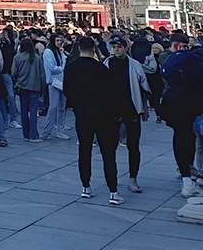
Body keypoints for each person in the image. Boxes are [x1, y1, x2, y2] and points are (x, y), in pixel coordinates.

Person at [161, 39, 203, 197]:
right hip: (184, 104)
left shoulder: (194, 60)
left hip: (171, 101)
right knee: (186, 139)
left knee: (182, 137)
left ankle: (186, 176)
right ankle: (187, 181)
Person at [63, 36, 124, 205]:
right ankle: (113, 191)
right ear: (94, 49)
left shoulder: (71, 67)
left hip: (82, 114)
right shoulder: (101, 69)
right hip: (103, 115)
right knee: (108, 153)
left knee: (84, 150)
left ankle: (86, 187)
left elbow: (67, 91)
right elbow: (111, 93)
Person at [104, 37, 149, 193]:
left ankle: (133, 178)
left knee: (133, 146)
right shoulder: (107, 64)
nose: (116, 49)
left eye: (119, 47)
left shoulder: (134, 65)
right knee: (111, 146)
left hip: (131, 109)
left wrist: (144, 109)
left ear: (126, 48)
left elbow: (144, 88)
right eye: (114, 47)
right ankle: (112, 178)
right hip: (113, 110)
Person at [10, 37, 46, 142]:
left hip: (22, 87)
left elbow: (13, 72)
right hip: (35, 87)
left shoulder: (17, 57)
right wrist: (43, 90)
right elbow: (42, 75)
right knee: (33, 112)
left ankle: (26, 134)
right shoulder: (37, 58)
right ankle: (33, 135)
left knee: (24, 111)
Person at [41, 35, 70, 140]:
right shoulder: (48, 52)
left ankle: (60, 130)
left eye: (60, 41)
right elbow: (53, 68)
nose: (59, 42)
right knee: (53, 107)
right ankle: (46, 131)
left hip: (61, 82)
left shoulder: (58, 52)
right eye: (57, 40)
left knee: (62, 107)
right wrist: (62, 66)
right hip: (53, 82)